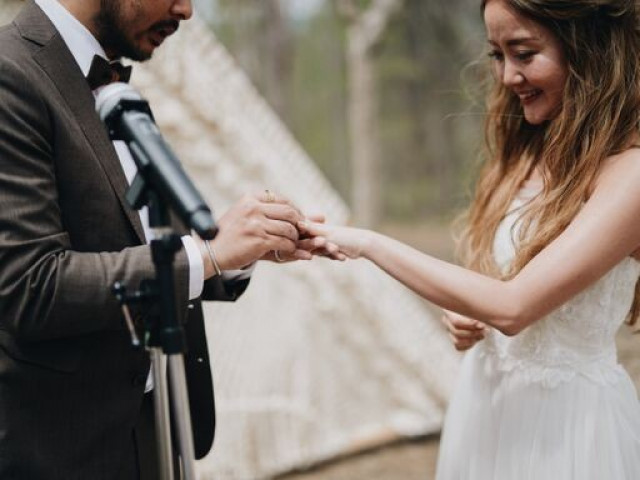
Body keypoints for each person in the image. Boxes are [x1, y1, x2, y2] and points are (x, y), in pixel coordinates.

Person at [300, 0, 640, 478]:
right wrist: (464, 314)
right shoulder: (523, 153)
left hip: (569, 427)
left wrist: (368, 244)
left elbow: (513, 306)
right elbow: (496, 289)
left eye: (524, 53)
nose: (506, 76)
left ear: (588, 49)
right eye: (497, 55)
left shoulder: (631, 174)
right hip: (488, 403)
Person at [0, 1, 336, 479]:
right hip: (60, 447)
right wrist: (208, 254)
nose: (187, 9)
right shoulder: (10, 72)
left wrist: (243, 250)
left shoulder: (109, 80)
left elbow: (140, 236)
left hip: (152, 433)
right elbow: (29, 286)